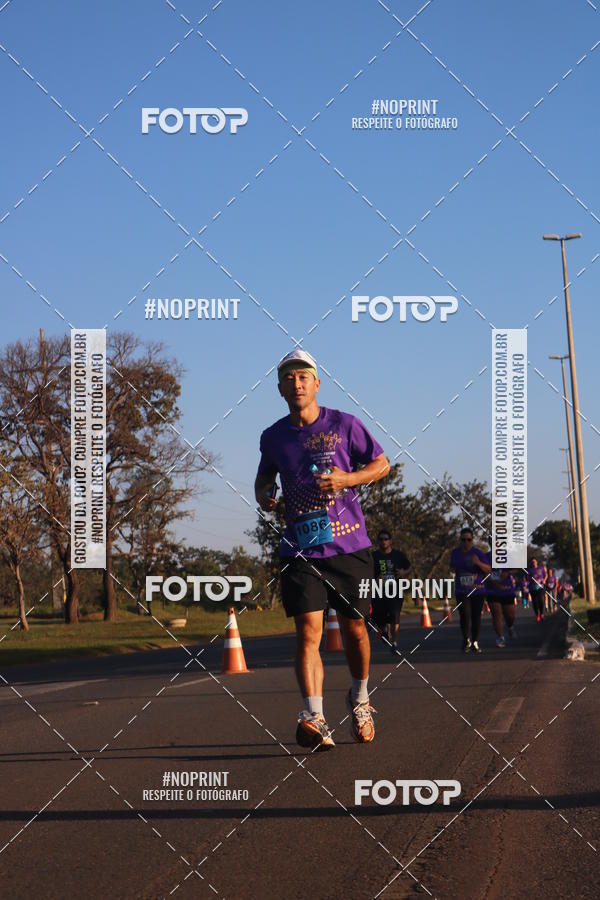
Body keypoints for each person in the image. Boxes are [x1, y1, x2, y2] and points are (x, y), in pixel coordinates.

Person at [254, 349, 390, 750]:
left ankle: (360, 697)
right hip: (299, 549)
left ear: (316, 383)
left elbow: (382, 464)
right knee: (308, 631)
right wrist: (265, 494)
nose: (296, 384)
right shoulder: (274, 436)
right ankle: (315, 715)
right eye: (288, 379)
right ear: (280, 388)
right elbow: (263, 479)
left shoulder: (345, 424)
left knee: (354, 629)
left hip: (348, 547)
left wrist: (348, 479)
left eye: (303, 377)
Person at [450, 526, 491, 653]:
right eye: (463, 540)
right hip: (461, 590)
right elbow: (451, 568)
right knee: (464, 614)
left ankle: (475, 641)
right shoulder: (455, 553)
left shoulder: (478, 553)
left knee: (476, 616)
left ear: (472, 540)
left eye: (468, 539)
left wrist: (478, 563)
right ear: (460, 540)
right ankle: (466, 639)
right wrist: (454, 571)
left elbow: (488, 570)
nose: (466, 542)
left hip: (478, 590)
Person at [372, 529, 411, 652]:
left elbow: (409, 567)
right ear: (378, 541)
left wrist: (404, 572)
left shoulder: (398, 555)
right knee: (379, 616)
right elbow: (367, 573)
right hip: (379, 592)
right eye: (381, 539)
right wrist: (374, 579)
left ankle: (394, 642)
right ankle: (383, 630)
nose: (383, 541)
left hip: (395, 591)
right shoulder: (374, 556)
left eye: (386, 539)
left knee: (395, 616)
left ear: (390, 541)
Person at [487, 568, 517, 647]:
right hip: (492, 591)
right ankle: (500, 637)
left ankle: (510, 626)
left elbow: (518, 568)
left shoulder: (508, 556)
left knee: (510, 615)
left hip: (507, 590)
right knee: (496, 614)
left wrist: (507, 572)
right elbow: (483, 571)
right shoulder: (486, 557)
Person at [528, 558, 547, 623]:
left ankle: (541, 613)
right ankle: (537, 615)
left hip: (540, 587)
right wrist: (531, 580)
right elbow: (527, 578)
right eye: (532, 562)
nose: (534, 563)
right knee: (535, 602)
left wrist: (544, 580)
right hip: (532, 588)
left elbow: (545, 575)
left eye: (535, 561)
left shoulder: (541, 568)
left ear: (537, 562)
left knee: (541, 600)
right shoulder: (529, 570)